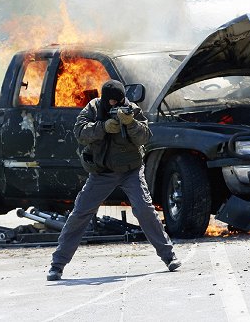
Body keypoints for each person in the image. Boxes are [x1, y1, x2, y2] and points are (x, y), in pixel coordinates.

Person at [47, 79, 181, 281]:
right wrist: (103, 127)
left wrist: (131, 124)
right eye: (111, 102)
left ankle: (169, 256)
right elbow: (79, 132)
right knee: (81, 212)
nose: (115, 105)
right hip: (102, 172)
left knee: (144, 209)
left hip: (130, 171)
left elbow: (145, 137)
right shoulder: (92, 108)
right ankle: (57, 265)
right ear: (104, 99)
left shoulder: (131, 109)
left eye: (119, 101)